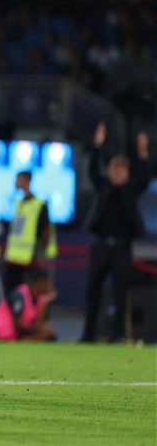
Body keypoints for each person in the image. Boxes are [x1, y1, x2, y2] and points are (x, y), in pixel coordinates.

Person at [80, 123, 152, 343]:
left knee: (121, 292)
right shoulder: (103, 188)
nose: (118, 172)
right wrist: (97, 146)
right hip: (101, 245)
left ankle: (119, 334)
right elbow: (93, 170)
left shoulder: (130, 191)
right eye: (114, 168)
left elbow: (144, 177)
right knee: (93, 291)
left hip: (122, 247)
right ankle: (88, 335)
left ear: (127, 173)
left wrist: (143, 153)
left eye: (122, 169)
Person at [3, 171, 57, 293]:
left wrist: (42, 254)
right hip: (14, 257)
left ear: (26, 180)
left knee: (29, 293)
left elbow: (46, 231)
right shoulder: (19, 204)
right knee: (13, 293)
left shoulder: (39, 205)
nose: (15, 183)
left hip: (31, 258)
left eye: (18, 179)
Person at [0, 272, 56, 341]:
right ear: (40, 283)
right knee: (45, 331)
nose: (50, 288)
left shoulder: (40, 298)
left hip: (19, 334)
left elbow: (37, 323)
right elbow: (17, 325)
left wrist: (44, 303)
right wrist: (36, 328)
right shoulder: (19, 295)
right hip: (2, 333)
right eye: (48, 284)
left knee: (47, 332)